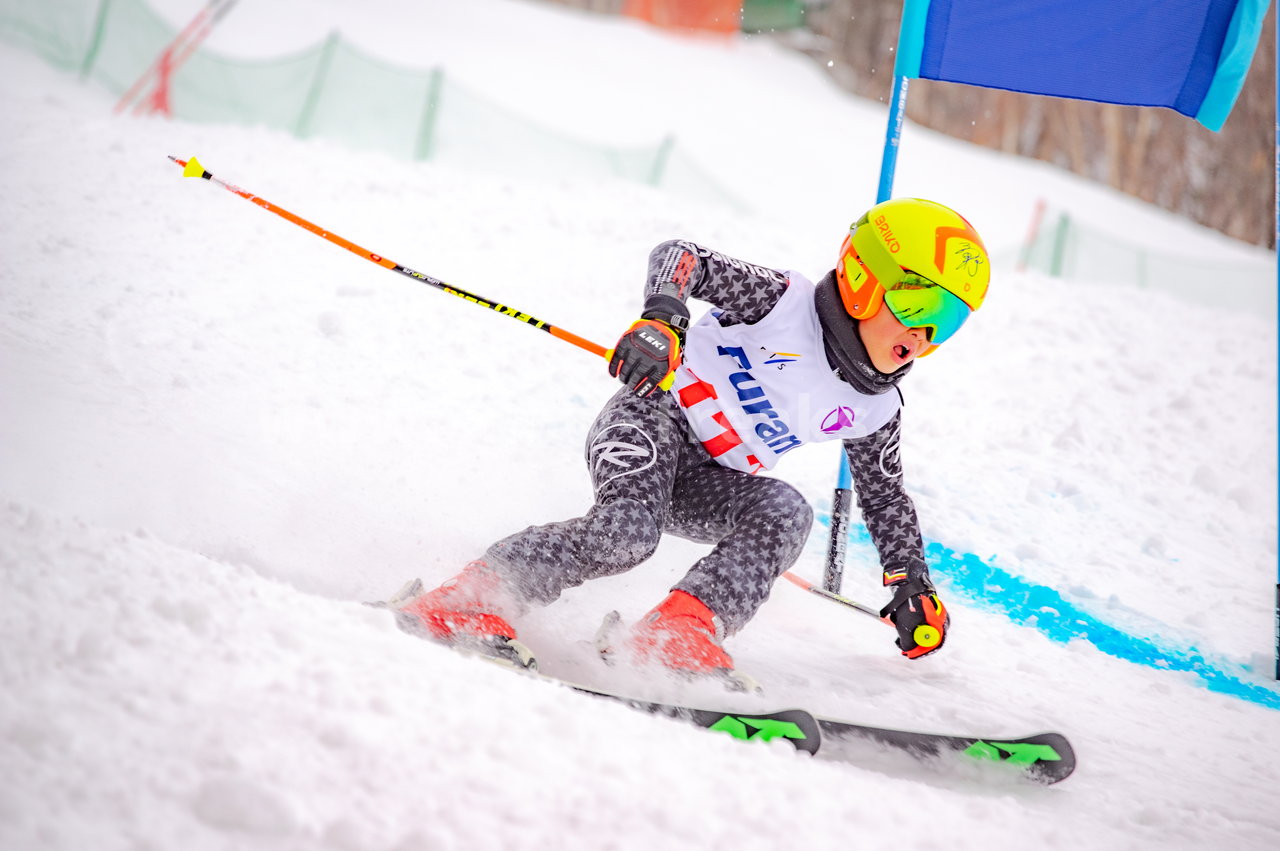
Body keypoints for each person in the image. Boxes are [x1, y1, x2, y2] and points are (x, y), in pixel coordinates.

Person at [386, 197, 990, 681]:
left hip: (709, 481)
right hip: (652, 420)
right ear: (864, 277)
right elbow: (682, 256)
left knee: (786, 511)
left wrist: (910, 578)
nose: (928, 333)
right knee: (628, 534)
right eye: (921, 302)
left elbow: (885, 498)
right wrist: (663, 319)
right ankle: (473, 595)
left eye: (950, 321)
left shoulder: (875, 406)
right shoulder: (782, 302)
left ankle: (679, 631)